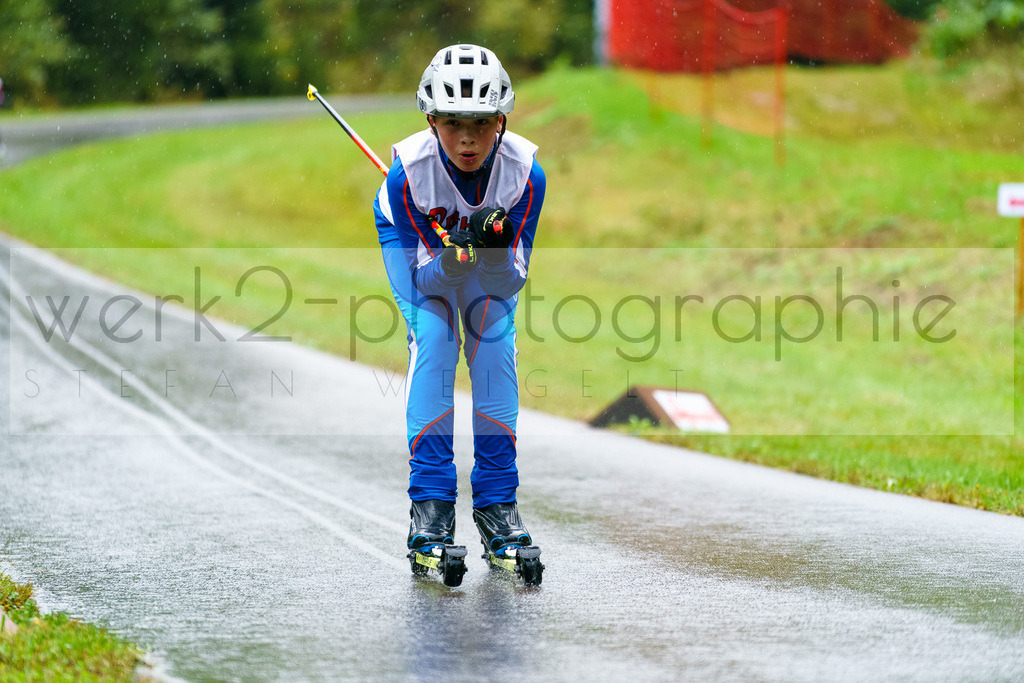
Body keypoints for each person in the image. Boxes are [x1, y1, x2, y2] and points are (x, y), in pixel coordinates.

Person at [373, 44, 546, 558]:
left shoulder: (525, 175)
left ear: (502, 120)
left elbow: (511, 282)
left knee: (492, 340)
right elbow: (427, 281)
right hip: (418, 254)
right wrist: (453, 258)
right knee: (436, 337)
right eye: (452, 123)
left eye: (481, 122)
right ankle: (430, 505)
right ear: (430, 121)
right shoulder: (408, 176)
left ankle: (496, 503)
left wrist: (489, 252)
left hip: (477, 262)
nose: (467, 139)